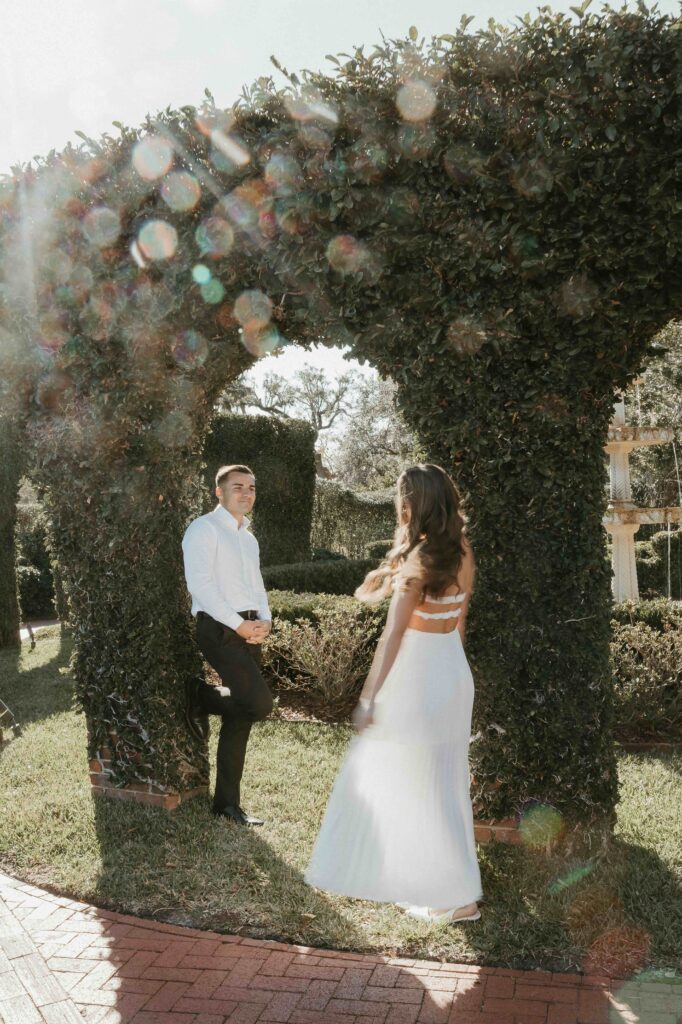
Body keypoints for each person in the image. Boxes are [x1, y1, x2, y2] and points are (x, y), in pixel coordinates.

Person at [305, 464, 483, 923]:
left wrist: (369, 698)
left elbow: (394, 635)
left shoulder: (418, 558)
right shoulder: (464, 550)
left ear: (411, 505)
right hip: (452, 671)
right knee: (444, 781)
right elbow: (459, 626)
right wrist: (451, 678)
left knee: (404, 778)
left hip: (420, 673)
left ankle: (456, 896)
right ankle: (448, 890)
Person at [182, 464, 273, 826]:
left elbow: (257, 585)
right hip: (219, 629)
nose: (247, 493)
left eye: (251, 487)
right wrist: (239, 625)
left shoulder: (249, 538)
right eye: (238, 487)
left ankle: (226, 805)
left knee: (241, 714)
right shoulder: (203, 529)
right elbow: (201, 586)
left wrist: (265, 620)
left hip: (249, 628)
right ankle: (199, 695)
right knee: (259, 704)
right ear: (219, 492)